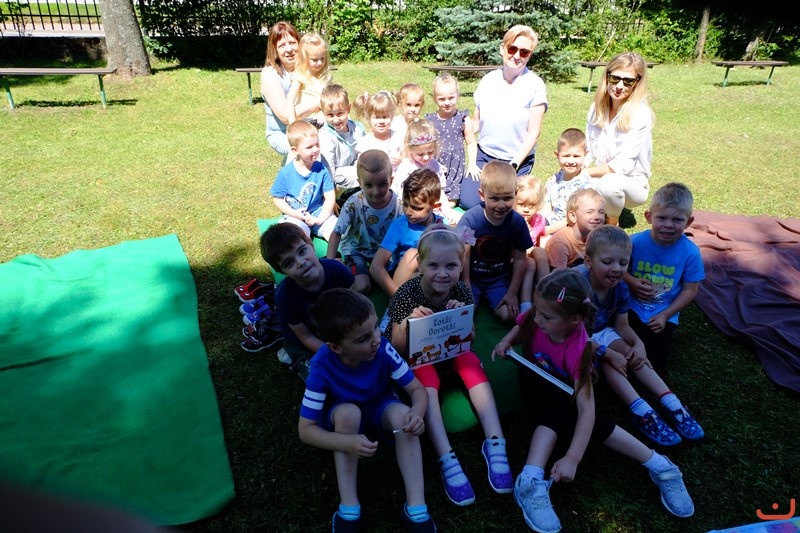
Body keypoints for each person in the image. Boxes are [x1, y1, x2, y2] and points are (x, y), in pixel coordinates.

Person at [492, 269, 695, 533]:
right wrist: (506, 341)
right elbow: (522, 325)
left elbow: (587, 409)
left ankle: (530, 478)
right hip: (532, 378)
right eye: (537, 311)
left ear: (575, 319)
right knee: (559, 406)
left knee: (570, 411)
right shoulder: (540, 314)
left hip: (561, 389)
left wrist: (572, 458)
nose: (537, 318)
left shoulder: (577, 349)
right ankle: (657, 463)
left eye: (546, 316)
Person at [386, 224, 513, 506]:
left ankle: (495, 441)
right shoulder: (406, 294)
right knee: (425, 376)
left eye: (451, 266)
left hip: (450, 351)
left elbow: (470, 339)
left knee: (470, 361)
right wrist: (407, 324)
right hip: (416, 357)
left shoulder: (462, 291)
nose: (442, 273)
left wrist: (463, 320)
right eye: (433, 265)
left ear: (461, 265)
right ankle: (446, 456)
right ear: (420, 264)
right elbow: (395, 348)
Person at [299, 288, 436, 532]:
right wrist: (346, 442)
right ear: (336, 347)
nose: (376, 339)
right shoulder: (321, 366)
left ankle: (417, 507)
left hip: (380, 407)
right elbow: (306, 430)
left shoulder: (382, 348)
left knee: (402, 416)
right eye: (362, 338)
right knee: (348, 414)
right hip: (344, 417)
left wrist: (416, 412)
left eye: (375, 327)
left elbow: (417, 390)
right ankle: (349, 508)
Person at [581, 225, 705, 447]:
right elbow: (569, 334)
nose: (616, 269)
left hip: (600, 331)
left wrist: (638, 344)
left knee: (631, 353)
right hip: (575, 338)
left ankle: (672, 403)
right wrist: (606, 353)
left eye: (623, 263)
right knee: (611, 361)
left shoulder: (620, 288)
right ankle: (642, 412)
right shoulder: (578, 287)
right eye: (607, 262)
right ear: (588, 261)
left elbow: (622, 325)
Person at [459, 25, 548, 210]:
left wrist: (513, 165)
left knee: (510, 205)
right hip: (485, 157)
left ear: (529, 55)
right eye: (512, 49)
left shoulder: (535, 85)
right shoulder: (488, 80)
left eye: (524, 52)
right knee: (469, 201)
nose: (517, 56)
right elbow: (476, 123)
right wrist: (456, 124)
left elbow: (534, 133)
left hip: (515, 161)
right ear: (502, 48)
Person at [624, 182, 705, 373]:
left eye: (677, 219)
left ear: (688, 222)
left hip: (663, 312)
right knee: (621, 345)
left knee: (657, 363)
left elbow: (690, 290)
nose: (669, 225)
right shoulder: (634, 242)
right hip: (630, 306)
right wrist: (632, 281)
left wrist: (665, 315)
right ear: (648, 216)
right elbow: (618, 270)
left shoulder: (690, 253)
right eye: (662, 218)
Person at [258, 223, 354, 379]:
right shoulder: (284, 297)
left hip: (335, 325)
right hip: (303, 339)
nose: (301, 262)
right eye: (289, 263)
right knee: (322, 374)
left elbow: (356, 306)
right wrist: (335, 354)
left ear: (311, 245)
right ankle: (294, 359)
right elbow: (305, 337)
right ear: (282, 271)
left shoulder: (337, 270)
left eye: (302, 251)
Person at [457, 161, 533, 323]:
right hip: (472, 277)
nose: (501, 205)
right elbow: (464, 255)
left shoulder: (517, 222)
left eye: (507, 198)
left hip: (498, 279)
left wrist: (512, 292)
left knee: (507, 315)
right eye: (494, 198)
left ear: (516, 194)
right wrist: (466, 286)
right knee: (463, 315)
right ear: (482, 194)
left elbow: (521, 259)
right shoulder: (471, 219)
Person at [585, 51, 654, 227]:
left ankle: (611, 224)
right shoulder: (596, 109)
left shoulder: (640, 114)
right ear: (607, 77)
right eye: (615, 78)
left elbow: (623, 166)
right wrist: (574, 172)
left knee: (609, 184)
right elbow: (587, 150)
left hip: (631, 182)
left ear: (637, 83)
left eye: (628, 81)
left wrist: (583, 174)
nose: (619, 86)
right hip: (599, 175)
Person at [326, 150, 402, 294]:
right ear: (359, 183)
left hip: (385, 253)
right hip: (357, 250)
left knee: (398, 280)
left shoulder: (399, 203)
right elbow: (336, 232)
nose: (376, 191)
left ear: (391, 181)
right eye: (368, 185)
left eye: (382, 184)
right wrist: (330, 264)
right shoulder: (353, 202)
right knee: (362, 286)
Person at [370, 169, 444, 298]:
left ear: (435, 206)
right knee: (414, 255)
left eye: (417, 208)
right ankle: (396, 307)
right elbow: (376, 266)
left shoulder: (441, 225)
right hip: (405, 280)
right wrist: (397, 296)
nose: (408, 212)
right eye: (405, 204)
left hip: (432, 278)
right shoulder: (400, 226)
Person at [270, 120, 337, 241]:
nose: (315, 149)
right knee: (294, 238)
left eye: (317, 144)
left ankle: (337, 252)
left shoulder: (322, 169)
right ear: (295, 150)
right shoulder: (286, 173)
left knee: (337, 232)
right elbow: (277, 198)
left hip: (318, 212)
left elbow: (330, 197)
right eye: (309, 147)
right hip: (295, 215)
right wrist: (294, 213)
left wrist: (320, 219)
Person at [424, 73, 480, 206]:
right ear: (435, 99)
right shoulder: (430, 121)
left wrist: (472, 164)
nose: (447, 102)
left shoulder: (463, 119)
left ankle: (446, 207)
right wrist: (430, 162)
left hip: (455, 167)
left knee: (451, 202)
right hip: (436, 165)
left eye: (451, 98)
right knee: (430, 196)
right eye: (442, 99)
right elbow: (425, 145)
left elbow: (471, 142)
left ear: (457, 95)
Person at [393, 118, 461, 224]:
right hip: (412, 210)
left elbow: (440, 192)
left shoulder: (434, 165)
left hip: (432, 209)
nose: (426, 157)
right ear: (410, 149)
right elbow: (401, 198)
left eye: (430, 152)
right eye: (420, 154)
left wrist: (448, 212)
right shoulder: (406, 167)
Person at [260, 21, 303, 161]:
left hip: (308, 126)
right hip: (281, 132)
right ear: (275, 50)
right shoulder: (270, 74)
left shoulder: (307, 68)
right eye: (282, 45)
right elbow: (285, 116)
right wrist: (316, 105)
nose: (289, 49)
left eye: (292, 43)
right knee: (308, 148)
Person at [541, 128, 595, 237]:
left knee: (542, 244)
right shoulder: (556, 179)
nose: (571, 161)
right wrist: (537, 222)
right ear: (557, 155)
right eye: (566, 156)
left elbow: (573, 218)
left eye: (576, 156)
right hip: (550, 224)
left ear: (585, 154)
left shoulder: (586, 186)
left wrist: (548, 230)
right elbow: (548, 206)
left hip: (571, 231)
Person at [318, 84, 366, 194]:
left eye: (340, 113)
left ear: (348, 109)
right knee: (357, 173)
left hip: (354, 169)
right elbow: (328, 169)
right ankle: (338, 196)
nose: (336, 120)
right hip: (335, 176)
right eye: (330, 115)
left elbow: (366, 149)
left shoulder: (357, 128)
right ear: (323, 112)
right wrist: (330, 194)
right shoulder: (326, 136)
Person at [545, 188, 605, 269]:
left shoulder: (599, 238)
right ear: (573, 216)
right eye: (589, 212)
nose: (597, 217)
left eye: (601, 212)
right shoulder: (559, 244)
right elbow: (558, 276)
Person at [514, 174, 550, 311]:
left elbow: (539, 240)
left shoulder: (538, 220)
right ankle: (526, 306)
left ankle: (545, 292)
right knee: (530, 263)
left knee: (540, 252)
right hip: (513, 257)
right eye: (521, 204)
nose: (526, 209)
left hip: (530, 254)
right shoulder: (510, 220)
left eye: (532, 205)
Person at [286, 32, 331, 125]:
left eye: (322, 58)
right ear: (304, 58)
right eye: (314, 60)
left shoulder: (325, 76)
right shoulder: (300, 76)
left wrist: (323, 113)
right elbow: (290, 101)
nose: (319, 63)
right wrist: (293, 124)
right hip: (307, 122)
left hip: (325, 119)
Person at [352, 91, 402, 167]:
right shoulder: (366, 143)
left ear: (392, 117)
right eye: (377, 117)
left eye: (385, 117)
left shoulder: (398, 137)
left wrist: (400, 160)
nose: (381, 121)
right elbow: (360, 167)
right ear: (368, 118)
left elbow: (408, 157)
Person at [391, 82, 426, 156]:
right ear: (400, 104)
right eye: (408, 105)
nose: (412, 109)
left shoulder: (420, 126)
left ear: (422, 105)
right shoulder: (394, 123)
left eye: (416, 105)